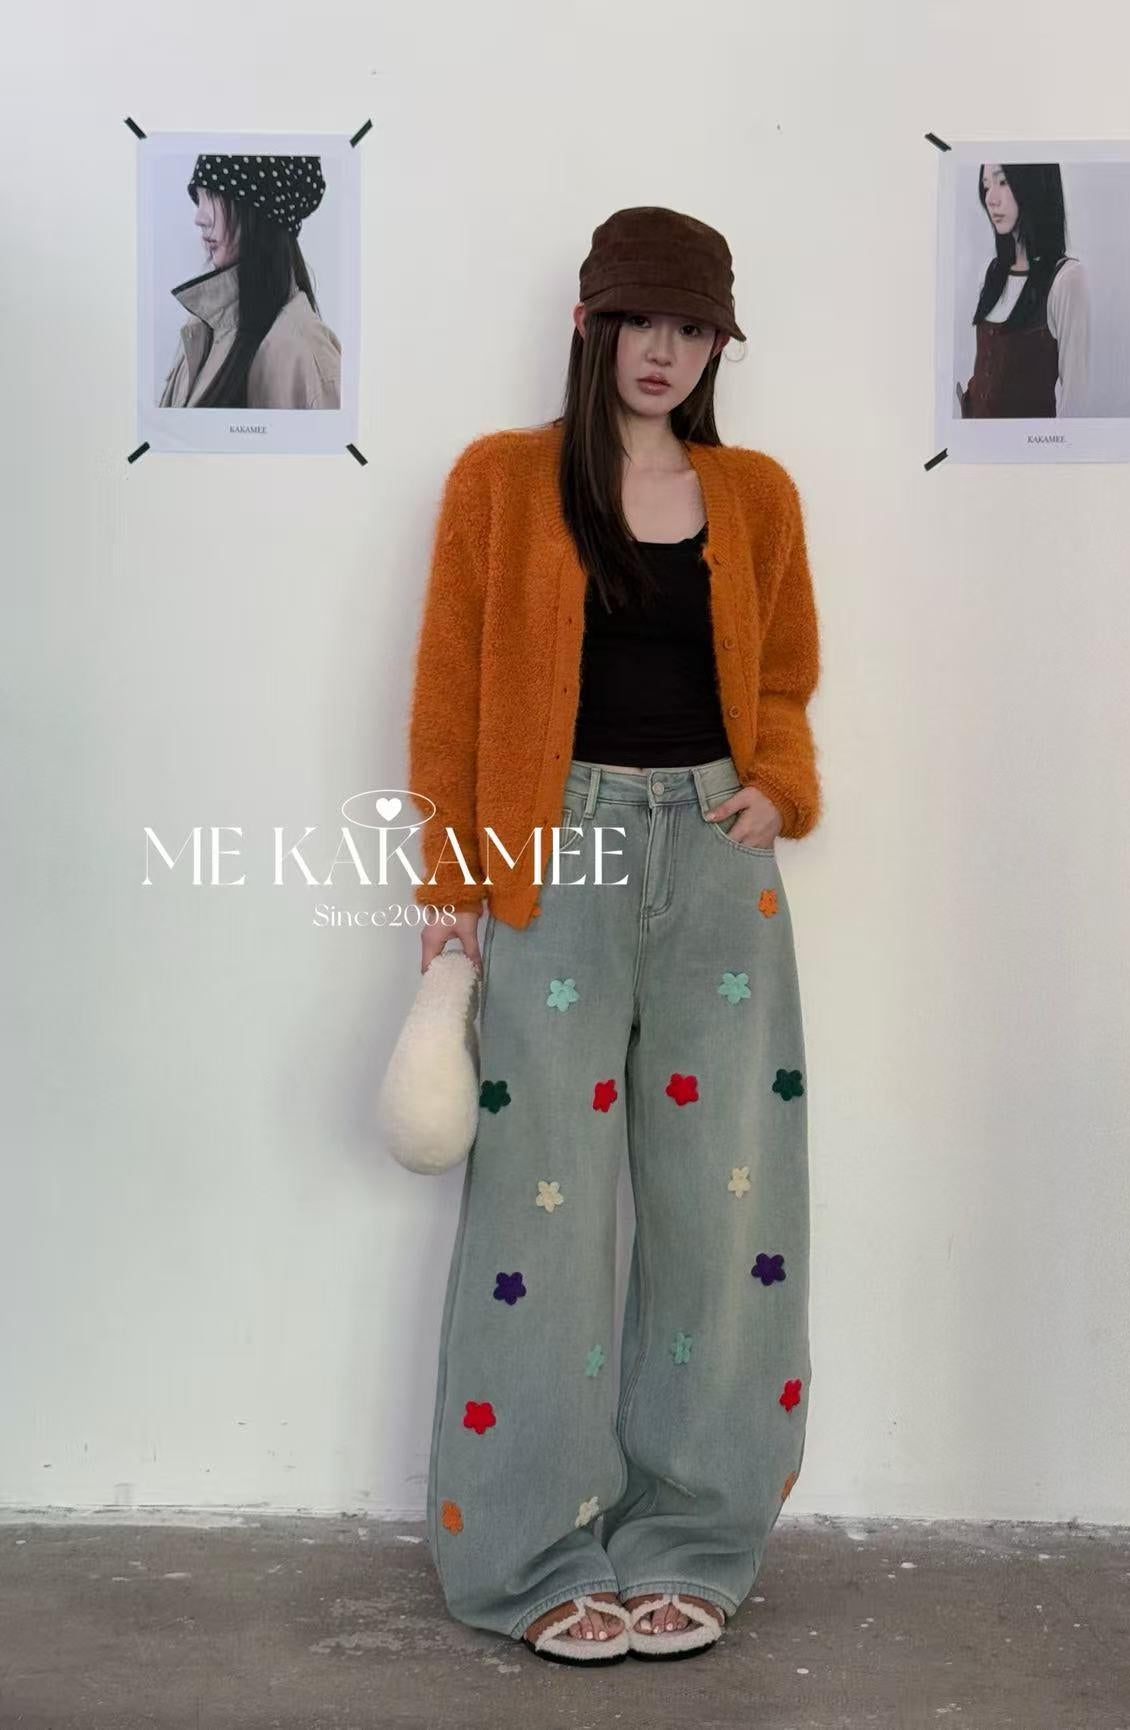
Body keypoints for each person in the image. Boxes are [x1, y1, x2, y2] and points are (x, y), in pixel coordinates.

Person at [408, 206, 823, 1663]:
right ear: (588, 325)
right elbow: (450, 696)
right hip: (556, 851)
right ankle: (525, 1548)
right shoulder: (501, 480)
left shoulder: (754, 494)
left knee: (728, 1207)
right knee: (543, 1209)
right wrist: (449, 890)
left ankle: (694, 1538)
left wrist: (779, 785)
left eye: (691, 328)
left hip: (715, 854)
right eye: (640, 320)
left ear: (715, 346)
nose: (664, 350)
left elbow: (783, 681)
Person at [158, 153, 341, 410]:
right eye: (199, 198)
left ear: (260, 209)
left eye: (213, 195)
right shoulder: (202, 330)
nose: (199, 218)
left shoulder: (305, 353)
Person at [958, 162, 1090, 418]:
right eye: (986, 186)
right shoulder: (993, 271)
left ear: (1034, 183)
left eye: (1002, 182)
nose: (990, 199)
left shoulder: (1066, 278)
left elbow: (1075, 404)